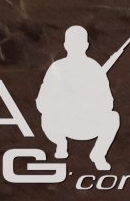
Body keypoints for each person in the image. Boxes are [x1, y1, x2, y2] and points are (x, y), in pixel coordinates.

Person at [37, 26, 123, 170]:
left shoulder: (91, 69)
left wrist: (87, 102)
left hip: (85, 125)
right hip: (65, 124)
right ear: (86, 46)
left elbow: (107, 103)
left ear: (65, 45)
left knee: (113, 117)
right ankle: (61, 144)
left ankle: (97, 155)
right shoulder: (59, 68)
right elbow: (42, 103)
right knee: (113, 118)